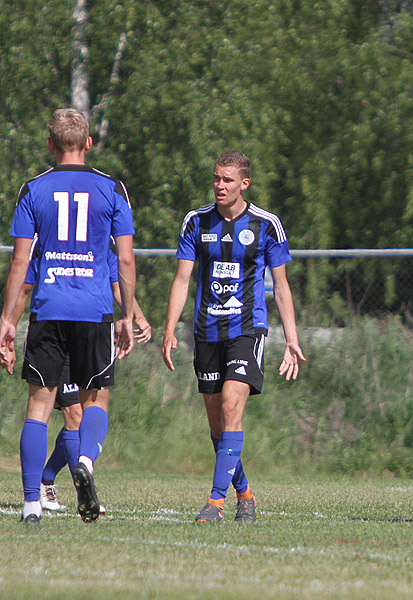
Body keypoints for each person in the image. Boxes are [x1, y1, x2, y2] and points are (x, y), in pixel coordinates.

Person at [0, 108, 136, 524]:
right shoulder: (113, 189)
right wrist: (127, 314)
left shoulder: (33, 190)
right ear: (88, 144)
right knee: (96, 399)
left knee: (38, 407)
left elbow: (21, 263)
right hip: (94, 310)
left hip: (49, 308)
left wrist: (7, 321)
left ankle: (29, 505)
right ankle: (87, 465)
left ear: (50, 145)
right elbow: (126, 259)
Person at [162, 150, 305, 523]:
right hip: (206, 331)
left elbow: (282, 285)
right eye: (215, 178)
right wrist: (169, 329)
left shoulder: (266, 224)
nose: (219, 185)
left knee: (230, 406)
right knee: (217, 424)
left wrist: (291, 338)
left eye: (227, 180)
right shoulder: (196, 222)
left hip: (247, 329)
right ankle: (244, 493)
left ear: (244, 183)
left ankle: (215, 504)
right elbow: (181, 280)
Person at [4, 247, 152, 513]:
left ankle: (46, 480)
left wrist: (136, 316)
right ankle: (82, 491)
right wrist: (9, 328)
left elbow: (117, 283)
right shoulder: (50, 237)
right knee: (72, 414)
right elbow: (24, 285)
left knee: (79, 414)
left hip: (80, 325)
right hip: (59, 325)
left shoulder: (98, 239)